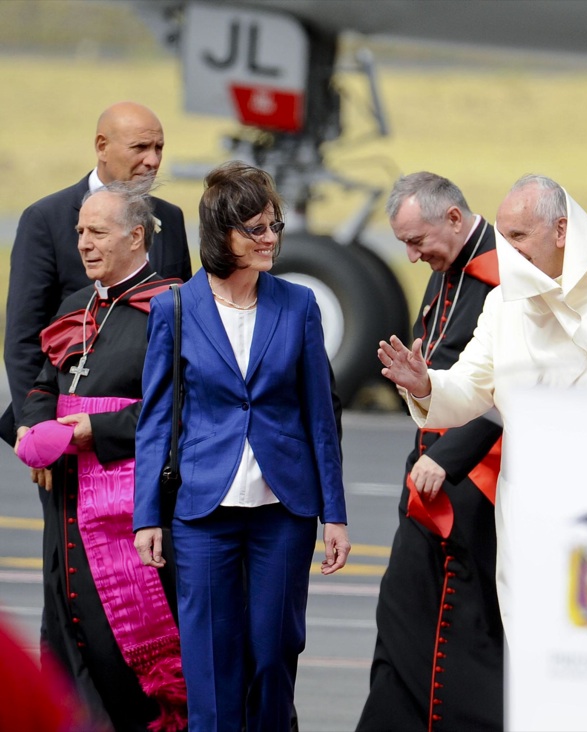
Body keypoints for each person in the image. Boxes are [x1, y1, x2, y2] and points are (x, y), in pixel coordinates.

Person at [378, 174, 587, 637]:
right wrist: (426, 385)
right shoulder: (505, 300)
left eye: (519, 236)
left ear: (561, 230)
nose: (506, 249)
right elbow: (472, 387)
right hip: (532, 504)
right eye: (504, 236)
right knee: (535, 636)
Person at [132, 161, 351, 732]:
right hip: (203, 512)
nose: (270, 238)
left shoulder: (299, 305)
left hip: (284, 511)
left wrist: (335, 513)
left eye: (274, 225)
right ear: (221, 235)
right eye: (255, 229)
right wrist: (147, 515)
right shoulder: (175, 309)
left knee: (274, 657)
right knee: (210, 665)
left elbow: (320, 417)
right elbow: (155, 420)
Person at [14, 182, 186, 731]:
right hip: (67, 508)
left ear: (136, 236)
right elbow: (43, 384)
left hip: (129, 510)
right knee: (72, 644)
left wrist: (100, 430)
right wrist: (33, 426)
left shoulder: (174, 308)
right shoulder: (76, 306)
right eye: (80, 232)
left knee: (126, 655)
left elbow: (185, 411)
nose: (84, 244)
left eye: (97, 232)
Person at [357, 172, 505, 731]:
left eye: (417, 242)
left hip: (475, 483)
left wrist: (448, 456)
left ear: (453, 217)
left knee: (465, 631)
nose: (413, 257)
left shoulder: (505, 277)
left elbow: (514, 383)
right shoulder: (447, 267)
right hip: (427, 473)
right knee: (402, 614)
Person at [4, 101, 192, 446]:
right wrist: (35, 431)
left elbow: (184, 323)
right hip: (66, 431)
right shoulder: (46, 218)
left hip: (147, 431)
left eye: (158, 148)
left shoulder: (170, 218)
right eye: (140, 147)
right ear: (102, 147)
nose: (152, 160)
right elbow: (24, 339)